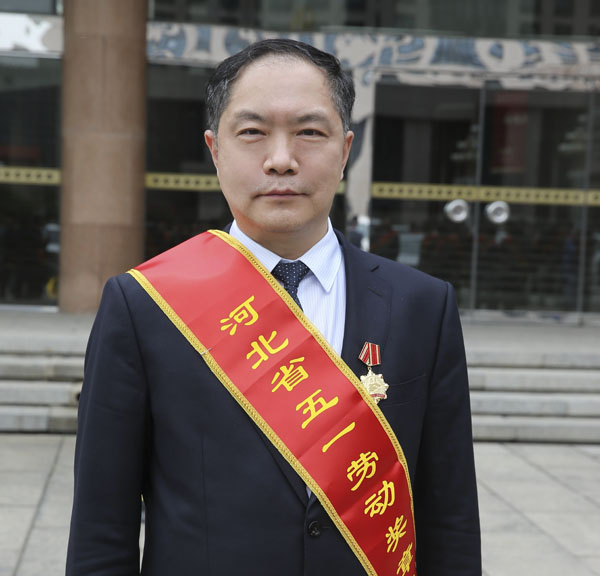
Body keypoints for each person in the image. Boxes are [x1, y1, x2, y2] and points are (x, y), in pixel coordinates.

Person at [66, 39, 480, 576]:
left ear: (345, 149)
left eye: (309, 132)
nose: (281, 160)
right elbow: (101, 527)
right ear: (215, 149)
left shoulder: (422, 306)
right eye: (252, 132)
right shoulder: (144, 305)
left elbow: (449, 519)